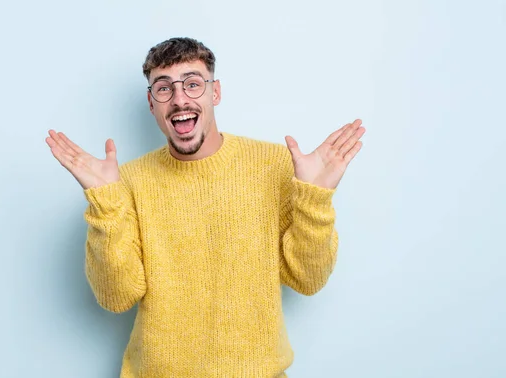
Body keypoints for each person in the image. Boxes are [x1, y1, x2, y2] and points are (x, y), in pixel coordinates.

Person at [45, 37, 365, 378]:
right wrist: (105, 202)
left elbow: (308, 280)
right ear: (152, 103)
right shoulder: (127, 182)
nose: (180, 98)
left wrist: (314, 196)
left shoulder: (274, 166)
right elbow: (116, 297)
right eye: (164, 88)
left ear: (215, 93)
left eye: (193, 84)